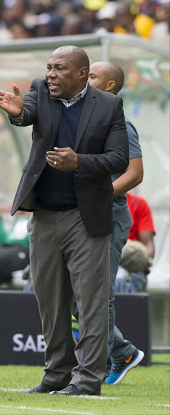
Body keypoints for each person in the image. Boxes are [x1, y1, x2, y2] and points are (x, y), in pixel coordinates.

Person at [0, 46, 128, 396]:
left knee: (91, 303)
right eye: (49, 67)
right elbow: (27, 111)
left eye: (59, 69)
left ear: (82, 74)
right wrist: (18, 114)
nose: (50, 74)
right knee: (50, 302)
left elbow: (118, 158)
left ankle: (87, 380)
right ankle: (56, 376)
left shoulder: (109, 105)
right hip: (44, 216)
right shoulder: (40, 92)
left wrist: (78, 161)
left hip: (86, 218)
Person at [88, 62, 145, 384]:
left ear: (109, 86)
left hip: (109, 214)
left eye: (92, 76)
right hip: (79, 215)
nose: (85, 80)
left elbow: (134, 174)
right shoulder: (80, 120)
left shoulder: (121, 122)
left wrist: (101, 195)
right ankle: (120, 350)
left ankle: (114, 355)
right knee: (73, 295)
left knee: (98, 294)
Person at [116, 192, 156, 293]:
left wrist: (143, 260)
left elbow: (148, 244)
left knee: (122, 279)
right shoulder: (93, 202)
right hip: (103, 261)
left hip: (130, 264)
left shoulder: (138, 203)